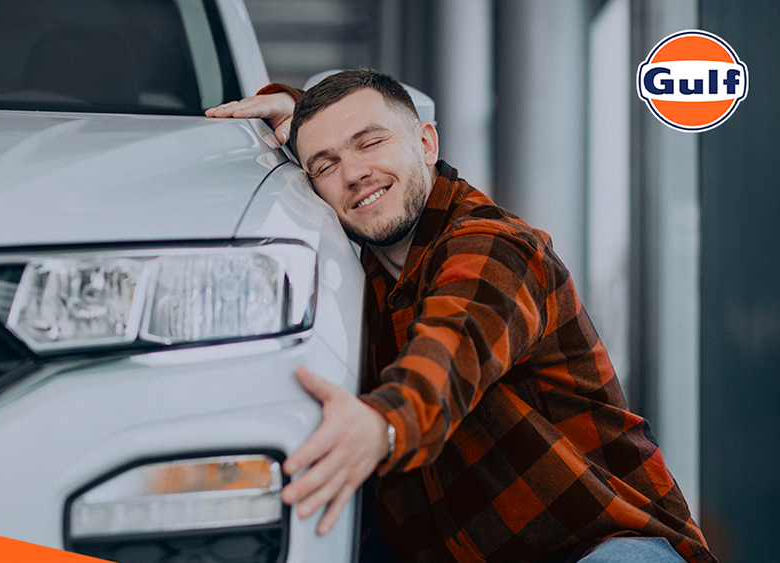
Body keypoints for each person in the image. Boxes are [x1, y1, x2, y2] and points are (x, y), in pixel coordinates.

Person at [206, 70, 716, 563]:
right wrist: (296, 112)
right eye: (325, 164)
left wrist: (382, 423)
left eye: (370, 143)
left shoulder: (494, 244)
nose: (353, 172)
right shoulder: (360, 274)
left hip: (601, 546)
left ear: (427, 145)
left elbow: (456, 342)